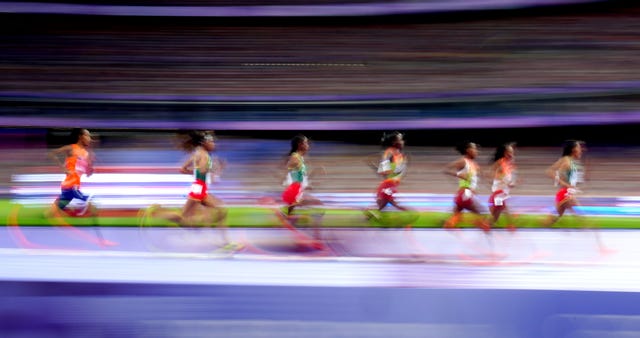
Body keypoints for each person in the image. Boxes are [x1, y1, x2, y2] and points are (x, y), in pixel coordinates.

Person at [146, 130, 239, 250]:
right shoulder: (203, 155)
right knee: (192, 218)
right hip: (199, 188)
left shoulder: (198, 153)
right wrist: (215, 170)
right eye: (212, 142)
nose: (214, 144)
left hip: (199, 187)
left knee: (199, 217)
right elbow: (199, 172)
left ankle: (225, 243)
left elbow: (183, 169)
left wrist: (203, 172)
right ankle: (158, 213)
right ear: (204, 142)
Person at [45, 128, 117, 247]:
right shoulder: (71, 148)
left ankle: (41, 224)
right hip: (70, 187)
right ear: (80, 136)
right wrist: (63, 168)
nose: (90, 139)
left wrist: (91, 166)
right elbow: (52, 153)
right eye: (87, 136)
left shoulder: (87, 154)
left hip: (70, 189)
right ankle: (102, 241)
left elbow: (88, 173)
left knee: (50, 214)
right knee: (92, 206)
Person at [279, 134, 325, 248]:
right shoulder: (295, 157)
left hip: (297, 190)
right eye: (306, 143)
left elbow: (299, 176)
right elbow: (289, 171)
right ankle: (315, 240)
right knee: (318, 209)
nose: (308, 145)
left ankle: (290, 220)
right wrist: (290, 183)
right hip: (295, 191)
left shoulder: (299, 158)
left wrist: (309, 180)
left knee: (314, 211)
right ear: (300, 145)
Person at [363, 131, 415, 223]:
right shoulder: (389, 153)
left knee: (384, 205)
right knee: (388, 205)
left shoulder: (399, 155)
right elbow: (384, 172)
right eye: (401, 140)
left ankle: (370, 215)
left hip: (391, 184)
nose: (403, 142)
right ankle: (411, 215)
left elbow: (393, 171)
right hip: (389, 184)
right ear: (395, 142)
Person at [442, 141, 491, 232]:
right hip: (465, 194)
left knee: (453, 220)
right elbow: (446, 169)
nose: (477, 152)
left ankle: (448, 224)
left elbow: (479, 177)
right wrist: (458, 174)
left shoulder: (475, 165)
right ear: (468, 150)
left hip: (463, 195)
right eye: (475, 149)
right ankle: (479, 224)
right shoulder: (463, 161)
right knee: (482, 215)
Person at [543, 140, 586, 227]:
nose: (580, 150)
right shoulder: (566, 161)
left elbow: (553, 172)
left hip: (567, 192)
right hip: (565, 193)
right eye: (578, 148)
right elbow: (550, 172)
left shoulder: (567, 160)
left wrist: (572, 187)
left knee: (556, 218)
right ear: (573, 150)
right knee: (579, 213)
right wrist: (566, 185)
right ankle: (592, 233)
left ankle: (542, 225)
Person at [488, 142, 518, 231]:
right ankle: (511, 224)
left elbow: (508, 177)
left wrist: (512, 183)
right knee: (503, 207)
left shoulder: (509, 164)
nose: (512, 154)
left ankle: (487, 224)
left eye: (512, 152)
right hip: (499, 191)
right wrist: (503, 180)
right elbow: (492, 173)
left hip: (502, 192)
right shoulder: (500, 162)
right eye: (510, 152)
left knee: (496, 213)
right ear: (505, 153)